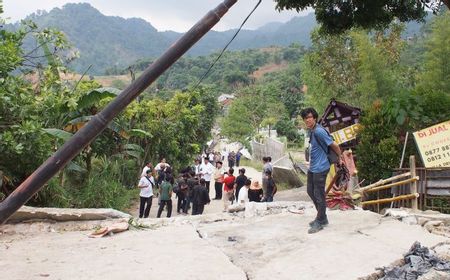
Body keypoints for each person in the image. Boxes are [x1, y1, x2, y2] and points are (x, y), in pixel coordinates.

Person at [301, 107, 342, 234]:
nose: (307, 120)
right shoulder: (312, 131)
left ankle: (320, 221)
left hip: (321, 167)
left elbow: (334, 145)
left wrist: (339, 158)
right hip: (313, 167)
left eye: (309, 117)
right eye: (305, 118)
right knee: (310, 191)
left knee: (319, 195)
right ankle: (322, 217)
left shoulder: (318, 131)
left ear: (314, 118)